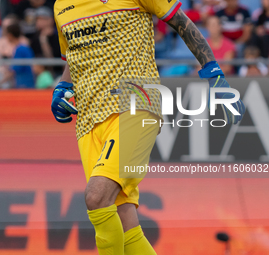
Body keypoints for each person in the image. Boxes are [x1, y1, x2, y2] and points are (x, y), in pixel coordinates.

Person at [51, 1, 245, 255]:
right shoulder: (61, 6)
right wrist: (63, 88)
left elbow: (183, 24)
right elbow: (74, 56)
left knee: (96, 197)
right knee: (123, 218)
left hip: (136, 103)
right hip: (88, 120)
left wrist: (215, 75)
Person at [1, 22, 34, 88]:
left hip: (24, 85)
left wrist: (1, 82)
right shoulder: (25, 48)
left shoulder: (20, 49)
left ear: (10, 35)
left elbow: (14, 69)